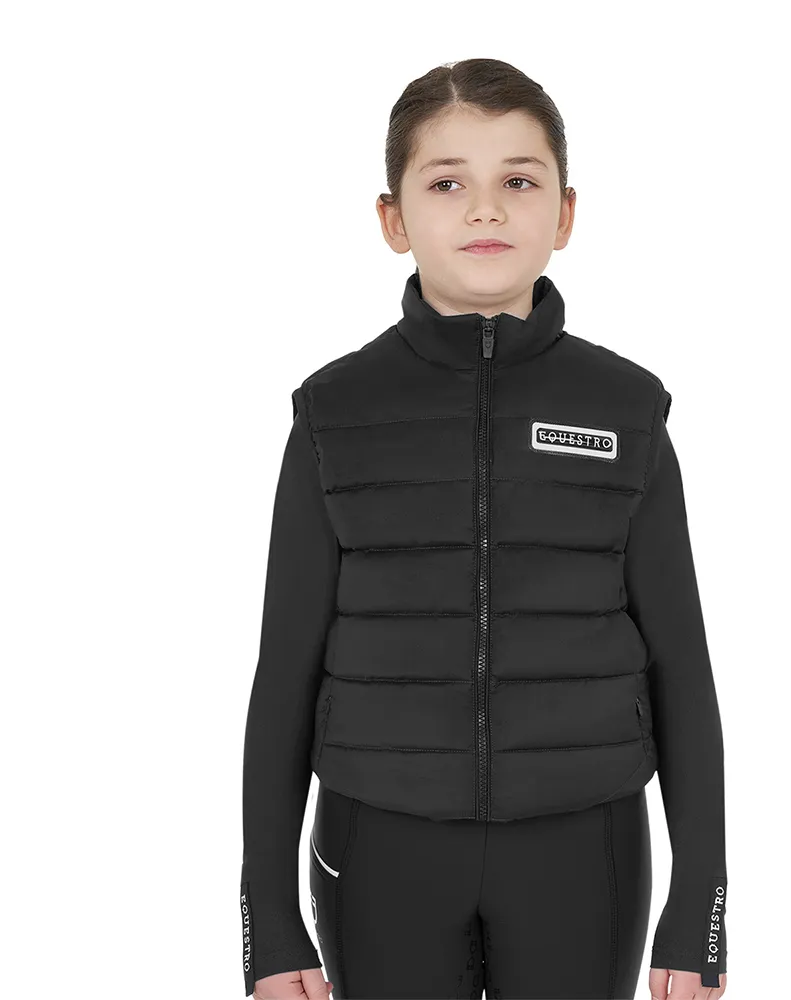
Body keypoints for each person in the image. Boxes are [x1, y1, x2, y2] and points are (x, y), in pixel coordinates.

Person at [240, 57, 727, 1000]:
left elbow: (682, 664)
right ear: (393, 219)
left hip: (585, 847)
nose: (486, 210)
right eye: (447, 183)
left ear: (566, 214)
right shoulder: (333, 414)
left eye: (519, 181)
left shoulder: (626, 411)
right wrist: (267, 915)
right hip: (378, 846)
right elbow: (284, 671)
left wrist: (700, 898)